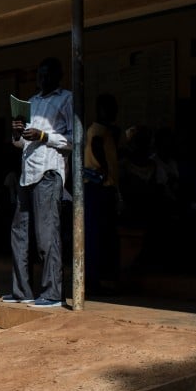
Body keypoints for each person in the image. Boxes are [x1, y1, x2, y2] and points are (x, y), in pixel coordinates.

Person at [2, 57, 73, 308]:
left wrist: (44, 136)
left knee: (46, 235)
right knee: (19, 234)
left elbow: (74, 141)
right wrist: (17, 133)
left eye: (47, 75)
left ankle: (53, 293)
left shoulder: (66, 98)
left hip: (49, 172)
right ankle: (22, 291)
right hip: (27, 174)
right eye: (39, 75)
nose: (42, 79)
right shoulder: (31, 102)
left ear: (58, 76)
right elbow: (21, 144)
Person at [83, 93, 121, 291]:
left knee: (101, 235)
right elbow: (97, 146)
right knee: (97, 235)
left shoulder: (105, 130)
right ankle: (93, 280)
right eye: (110, 108)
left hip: (100, 188)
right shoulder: (98, 130)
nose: (115, 112)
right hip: (98, 187)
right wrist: (105, 169)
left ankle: (98, 278)